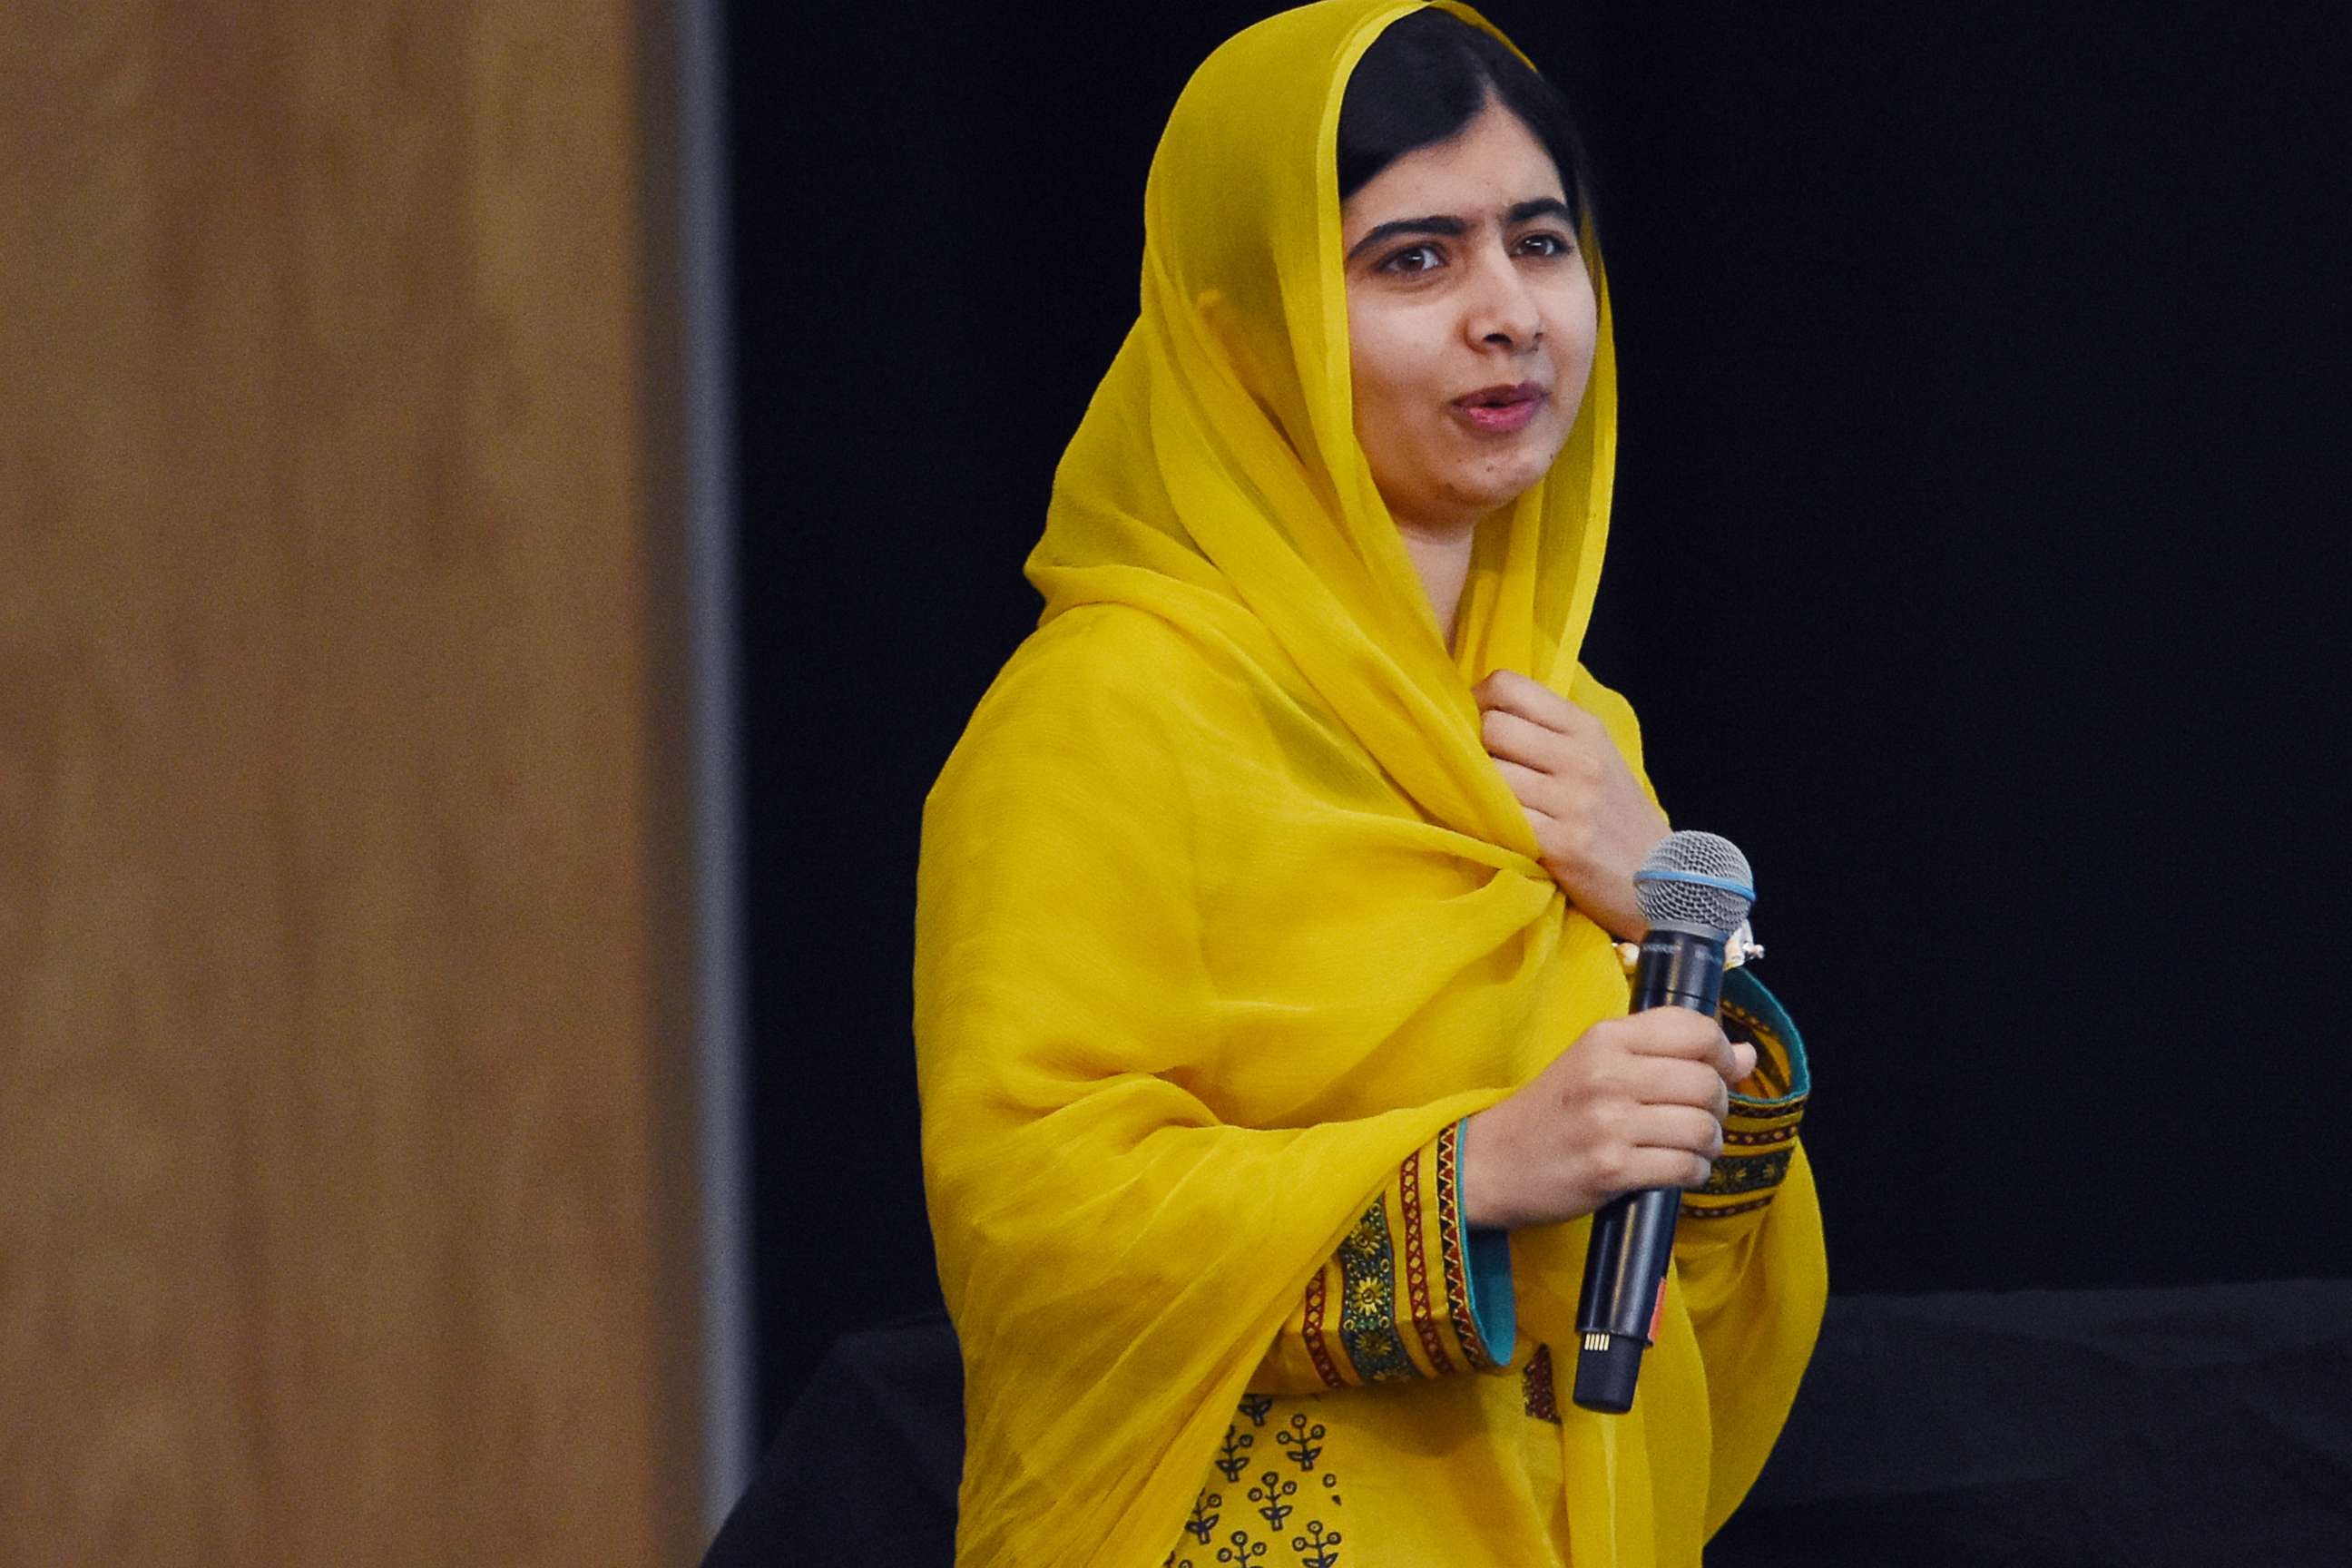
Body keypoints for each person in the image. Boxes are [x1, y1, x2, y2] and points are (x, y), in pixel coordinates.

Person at [913, 4, 1824, 1563]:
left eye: (1541, 245)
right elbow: (1034, 1231)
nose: (1509, 313)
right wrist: (1480, 1171)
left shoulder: (1567, 730)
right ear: (1246, 324)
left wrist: (1681, 917)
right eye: (1414, 259)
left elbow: (1688, 1265)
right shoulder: (1107, 713)